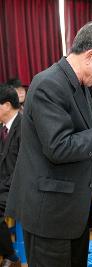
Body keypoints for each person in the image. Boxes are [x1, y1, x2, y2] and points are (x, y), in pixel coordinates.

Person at [5, 22, 92, 267]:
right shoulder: (48, 84)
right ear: (90, 56)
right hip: (50, 213)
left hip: (74, 212)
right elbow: (58, 147)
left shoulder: (81, 86)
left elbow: (91, 149)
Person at [0, 84, 21, 267]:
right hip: (4, 185)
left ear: (6, 105)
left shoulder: (25, 127)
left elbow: (24, 168)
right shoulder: (2, 128)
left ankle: (11, 256)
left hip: (18, 187)